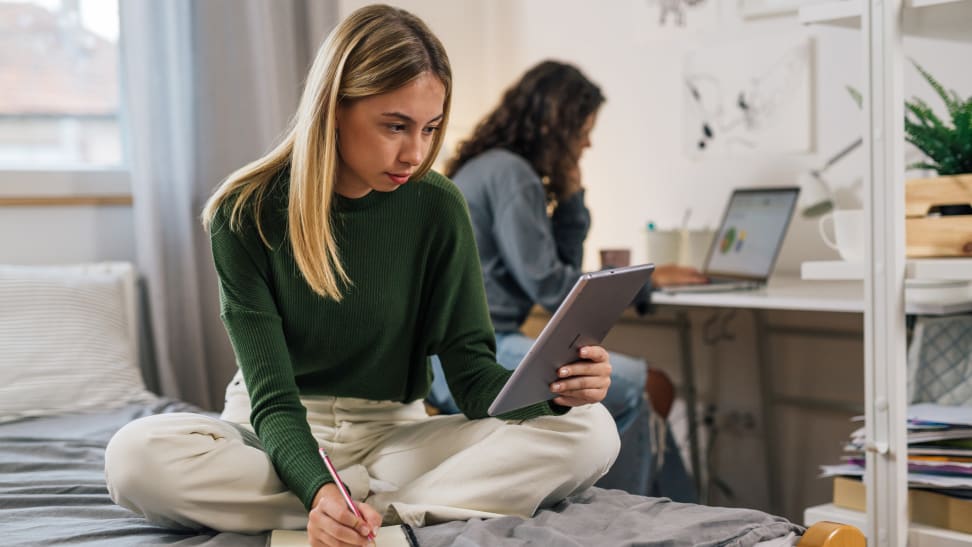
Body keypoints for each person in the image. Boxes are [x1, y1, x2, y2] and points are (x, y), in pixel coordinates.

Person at [102, 7, 620, 547]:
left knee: (591, 430)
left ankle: (362, 516)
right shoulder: (246, 211)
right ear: (334, 108)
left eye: (430, 128)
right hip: (270, 432)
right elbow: (274, 401)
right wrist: (316, 486)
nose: (415, 152)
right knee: (134, 458)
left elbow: (471, 377)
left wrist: (557, 394)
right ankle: (372, 506)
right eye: (395, 126)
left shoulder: (438, 206)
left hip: (394, 436)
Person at [426, 60, 706, 501]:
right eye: (583, 131)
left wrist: (572, 199)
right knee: (636, 387)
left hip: (474, 344)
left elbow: (558, 273)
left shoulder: (497, 167)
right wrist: (646, 285)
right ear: (555, 126)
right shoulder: (512, 174)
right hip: (470, 354)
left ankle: (681, 513)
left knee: (644, 385)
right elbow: (552, 287)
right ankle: (623, 521)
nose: (588, 142)